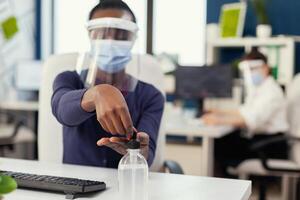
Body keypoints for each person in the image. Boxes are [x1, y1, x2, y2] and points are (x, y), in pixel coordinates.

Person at [51, 0, 164, 168]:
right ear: (90, 36)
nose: (110, 41)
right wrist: (96, 94)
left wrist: (138, 153)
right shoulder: (69, 80)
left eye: (120, 34)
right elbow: (62, 111)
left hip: (125, 185)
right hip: (75, 187)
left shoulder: (151, 96)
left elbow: (148, 152)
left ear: (133, 38)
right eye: (102, 34)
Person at [202, 48, 289, 176]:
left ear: (265, 68)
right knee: (221, 142)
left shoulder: (271, 92)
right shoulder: (259, 89)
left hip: (270, 145)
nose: (250, 74)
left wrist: (218, 120)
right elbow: (244, 111)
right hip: (261, 140)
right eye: (247, 70)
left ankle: (227, 184)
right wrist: (219, 112)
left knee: (219, 145)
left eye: (253, 69)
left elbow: (249, 120)